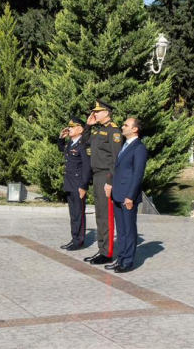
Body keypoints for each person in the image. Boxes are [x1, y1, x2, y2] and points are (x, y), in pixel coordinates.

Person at [81, 100, 123, 265]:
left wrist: (111, 181)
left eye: (97, 111)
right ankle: (102, 249)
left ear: (106, 112)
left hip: (106, 176)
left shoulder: (114, 132)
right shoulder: (98, 131)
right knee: (100, 216)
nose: (94, 114)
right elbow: (85, 142)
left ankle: (107, 253)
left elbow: (116, 158)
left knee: (106, 215)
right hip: (97, 176)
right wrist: (88, 125)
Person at [108, 117, 148, 273]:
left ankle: (128, 262)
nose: (122, 127)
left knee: (129, 229)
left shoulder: (139, 148)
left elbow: (137, 175)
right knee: (122, 230)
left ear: (135, 129)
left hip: (128, 197)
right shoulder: (124, 146)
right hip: (118, 194)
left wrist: (130, 196)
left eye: (126, 125)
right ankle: (121, 258)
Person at [59, 116, 91, 251]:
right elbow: (62, 149)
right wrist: (61, 138)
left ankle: (79, 241)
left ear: (80, 129)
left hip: (78, 185)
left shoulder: (83, 145)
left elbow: (87, 167)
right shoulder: (70, 144)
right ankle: (74, 238)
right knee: (73, 214)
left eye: (72, 127)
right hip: (69, 183)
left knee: (79, 214)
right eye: (69, 127)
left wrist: (84, 186)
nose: (69, 129)